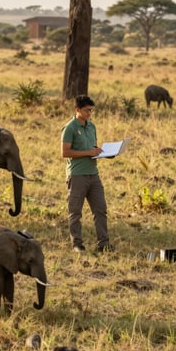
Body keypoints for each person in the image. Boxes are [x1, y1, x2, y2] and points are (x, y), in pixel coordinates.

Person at [61, 95, 112, 253]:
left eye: (91, 110)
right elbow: (65, 152)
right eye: (87, 110)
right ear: (77, 110)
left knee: (100, 209)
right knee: (75, 212)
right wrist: (89, 152)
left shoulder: (91, 127)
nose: (90, 113)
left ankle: (103, 244)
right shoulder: (69, 128)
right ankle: (77, 244)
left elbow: (93, 147)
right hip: (77, 175)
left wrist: (104, 153)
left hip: (93, 174)